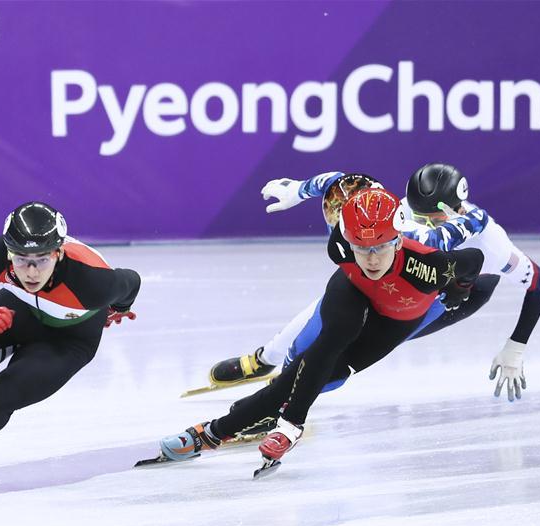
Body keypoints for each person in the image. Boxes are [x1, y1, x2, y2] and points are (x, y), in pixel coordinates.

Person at [159, 184, 485, 475]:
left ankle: (236, 428)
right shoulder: (339, 247)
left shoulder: (429, 269)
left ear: (399, 239)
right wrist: (301, 189)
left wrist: (461, 287)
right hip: (353, 293)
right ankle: (248, 430)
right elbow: (337, 181)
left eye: (380, 247)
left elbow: (474, 258)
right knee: (322, 348)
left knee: (316, 377)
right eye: (361, 248)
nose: (371, 259)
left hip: (393, 323)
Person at [208, 164, 540, 403]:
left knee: (343, 350)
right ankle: (267, 358)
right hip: (390, 271)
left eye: (425, 220)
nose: (412, 225)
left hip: (436, 299)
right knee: (320, 319)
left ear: (448, 214)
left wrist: (516, 347)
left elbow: (539, 283)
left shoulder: (493, 245)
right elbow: (337, 182)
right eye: (411, 214)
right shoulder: (390, 211)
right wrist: (297, 191)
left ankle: (282, 401)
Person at [0, 202, 140, 472]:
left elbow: (132, 281)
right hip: (15, 311)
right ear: (9, 253)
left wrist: (118, 309)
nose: (32, 272)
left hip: (69, 340)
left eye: (42, 260)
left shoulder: (92, 282)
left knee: (3, 395)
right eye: (22, 260)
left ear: (58, 253)